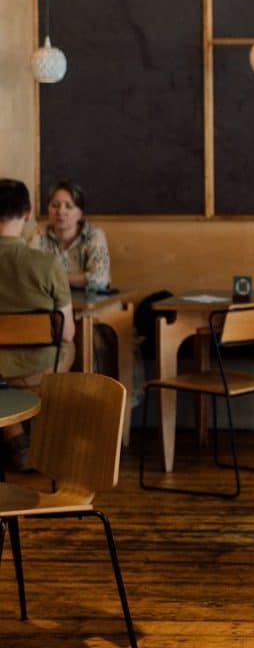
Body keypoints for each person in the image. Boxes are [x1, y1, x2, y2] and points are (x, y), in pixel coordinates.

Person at [0, 178, 76, 472]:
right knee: (70, 347)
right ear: (29, 213)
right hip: (37, 370)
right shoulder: (47, 264)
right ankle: (38, 438)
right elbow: (67, 332)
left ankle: (14, 434)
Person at [31, 179, 111, 294]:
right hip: (48, 304)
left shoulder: (94, 235)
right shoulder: (39, 234)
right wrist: (81, 279)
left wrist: (56, 277)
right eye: (55, 205)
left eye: (69, 206)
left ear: (80, 213)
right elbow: (29, 276)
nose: (60, 211)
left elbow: (100, 279)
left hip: (87, 306)